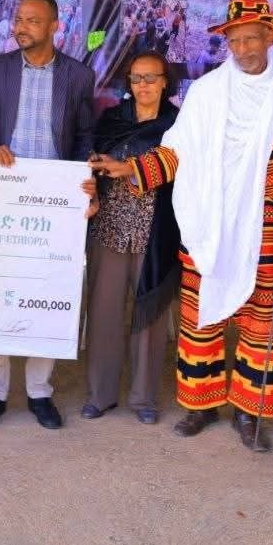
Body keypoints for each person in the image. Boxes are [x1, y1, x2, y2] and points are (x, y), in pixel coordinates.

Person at [92, 0, 273, 451]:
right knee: (199, 319)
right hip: (207, 216)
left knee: (262, 323)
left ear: (271, 38)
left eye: (252, 38)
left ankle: (250, 413)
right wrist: (130, 168)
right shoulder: (207, 91)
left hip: (265, 222)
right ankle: (201, 405)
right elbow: (177, 151)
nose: (244, 48)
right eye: (235, 40)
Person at [0, 0, 96, 431]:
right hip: (2, 198)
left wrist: (83, 184)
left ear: (55, 27)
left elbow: (84, 137)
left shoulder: (79, 76)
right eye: (18, 19)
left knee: (46, 292)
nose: (20, 27)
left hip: (53, 205)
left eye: (32, 20)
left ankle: (40, 392)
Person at [84, 53, 180, 425]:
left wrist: (128, 169)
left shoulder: (178, 124)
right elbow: (91, 164)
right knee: (103, 313)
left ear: (165, 81)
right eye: (136, 79)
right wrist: (93, 181)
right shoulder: (111, 119)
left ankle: (144, 399)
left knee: (149, 316)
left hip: (154, 230)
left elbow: (183, 169)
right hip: (109, 227)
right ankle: (100, 395)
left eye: (151, 78)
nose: (143, 86)